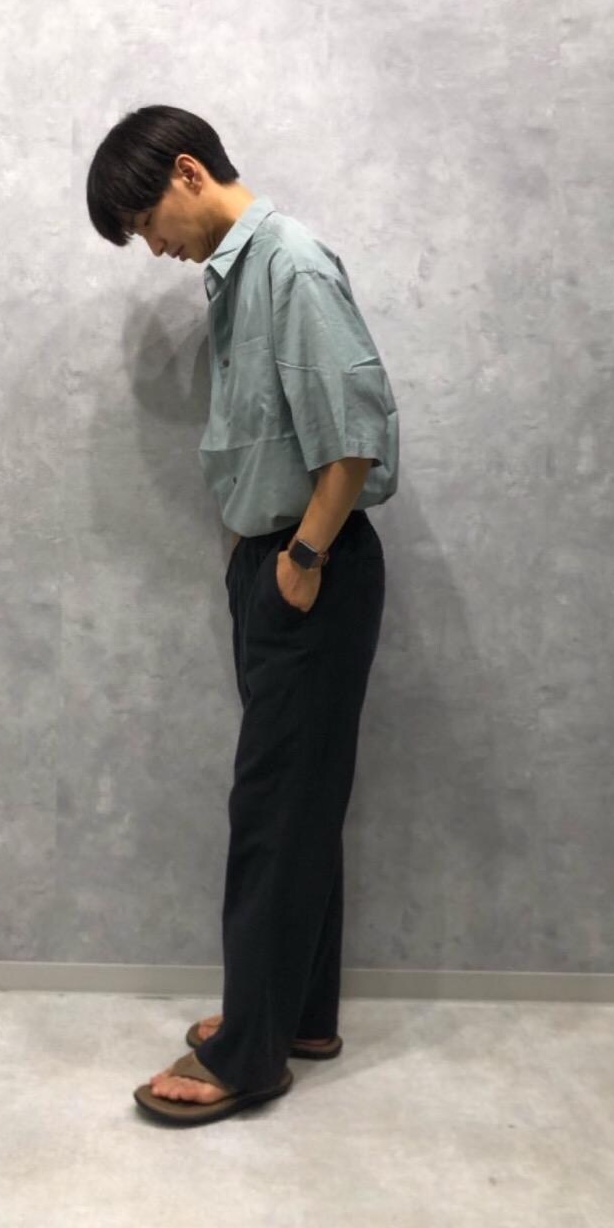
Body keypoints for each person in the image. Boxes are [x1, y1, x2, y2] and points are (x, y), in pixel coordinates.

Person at [86, 105, 399, 1125]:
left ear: (188, 172)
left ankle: (249, 1053)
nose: (152, 248)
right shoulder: (239, 275)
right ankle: (297, 1014)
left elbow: (353, 435)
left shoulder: (290, 266)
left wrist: (301, 557)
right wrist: (259, 555)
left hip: (311, 566)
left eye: (146, 222)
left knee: (272, 809)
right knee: (299, 802)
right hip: (278, 563)